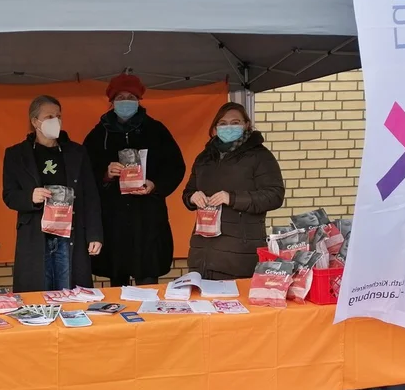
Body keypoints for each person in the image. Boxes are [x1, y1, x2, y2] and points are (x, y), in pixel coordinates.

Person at [83, 74, 186, 287]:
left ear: (139, 100)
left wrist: (155, 185)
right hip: (114, 219)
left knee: (148, 281)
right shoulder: (98, 134)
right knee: (117, 283)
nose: (126, 101)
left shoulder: (156, 130)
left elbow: (176, 167)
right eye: (120, 97)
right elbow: (83, 172)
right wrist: (105, 173)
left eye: (131, 96)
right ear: (111, 101)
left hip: (147, 218)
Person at [2, 95, 104, 292]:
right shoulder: (16, 154)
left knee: (70, 293)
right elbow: (9, 195)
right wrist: (30, 197)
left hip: (70, 234)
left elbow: (91, 196)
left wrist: (95, 235)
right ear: (35, 121)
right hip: (36, 236)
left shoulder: (77, 152)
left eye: (58, 116)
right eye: (49, 117)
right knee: (38, 295)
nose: (55, 121)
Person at [182, 102, 284, 279]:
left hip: (239, 255)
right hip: (203, 253)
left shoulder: (260, 156)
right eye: (223, 123)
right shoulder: (205, 157)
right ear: (215, 128)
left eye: (235, 122)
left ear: (246, 125)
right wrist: (192, 197)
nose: (229, 127)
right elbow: (188, 192)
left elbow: (275, 195)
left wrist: (233, 198)